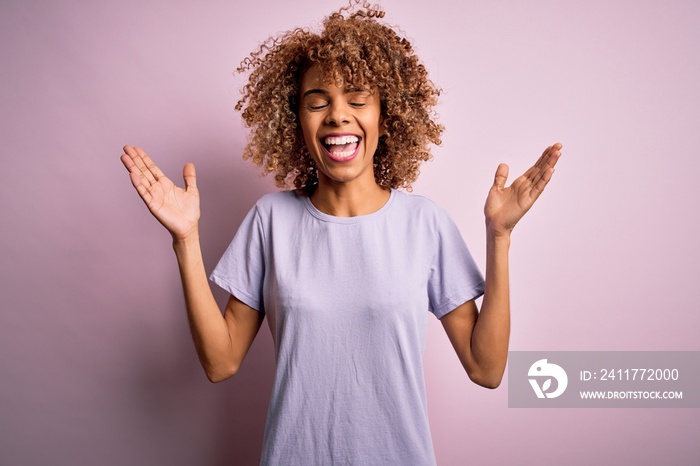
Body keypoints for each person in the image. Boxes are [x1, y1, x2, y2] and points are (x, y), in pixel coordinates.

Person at [120, 2, 562, 464]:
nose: (337, 115)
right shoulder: (270, 221)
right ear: (296, 120)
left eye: (356, 99)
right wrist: (185, 239)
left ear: (384, 117)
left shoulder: (424, 223)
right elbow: (220, 362)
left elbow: (487, 369)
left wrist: (499, 237)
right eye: (317, 101)